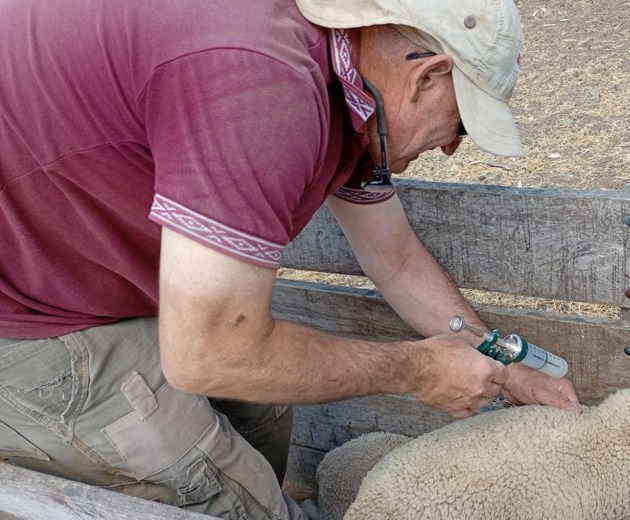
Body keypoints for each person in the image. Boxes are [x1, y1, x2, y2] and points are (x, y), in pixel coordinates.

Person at [0, 0, 581, 518]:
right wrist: (422, 370)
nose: (453, 146)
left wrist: (502, 361)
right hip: (25, 318)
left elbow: (396, 258)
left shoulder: (348, 92)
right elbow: (208, 353)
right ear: (427, 75)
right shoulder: (264, 87)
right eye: (461, 122)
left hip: (79, 265)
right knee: (232, 500)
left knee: (265, 407)